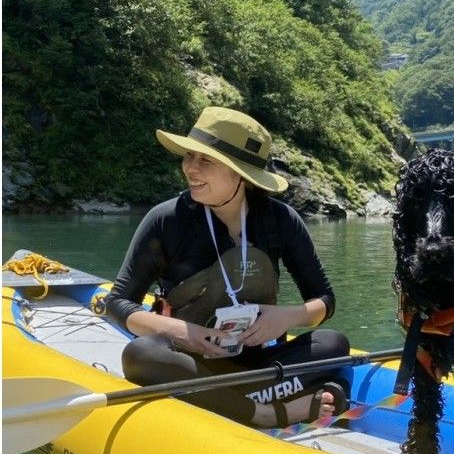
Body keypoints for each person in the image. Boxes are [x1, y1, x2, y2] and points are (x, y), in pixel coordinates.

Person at [107, 106, 350, 428]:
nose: (189, 168)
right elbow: (118, 303)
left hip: (260, 364)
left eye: (204, 160)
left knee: (333, 344)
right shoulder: (166, 220)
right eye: (188, 157)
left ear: (240, 174)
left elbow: (324, 299)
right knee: (140, 355)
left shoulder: (280, 221)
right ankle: (269, 411)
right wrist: (184, 332)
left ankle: (228, 401)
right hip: (190, 364)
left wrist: (288, 316)